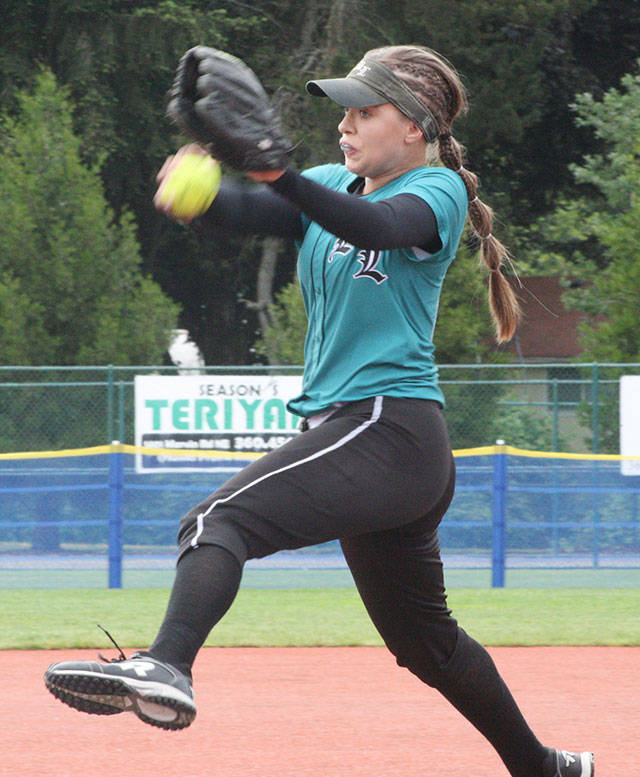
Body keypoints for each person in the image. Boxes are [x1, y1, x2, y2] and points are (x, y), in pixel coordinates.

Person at [45, 45, 593, 777]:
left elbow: (374, 227)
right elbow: (252, 208)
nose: (347, 125)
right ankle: (545, 767)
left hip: (388, 426)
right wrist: (196, 193)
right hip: (375, 443)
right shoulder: (332, 184)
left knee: (217, 521)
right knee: (426, 643)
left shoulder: (438, 193)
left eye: (367, 111)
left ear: (417, 126)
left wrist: (280, 173)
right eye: (343, 111)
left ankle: (167, 665)